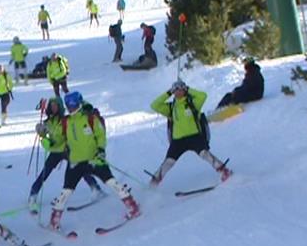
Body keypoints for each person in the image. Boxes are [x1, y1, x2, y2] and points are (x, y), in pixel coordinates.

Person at [48, 92, 140, 230]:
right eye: (68, 105)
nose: (71, 108)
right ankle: (54, 221)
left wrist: (101, 150)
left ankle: (132, 207)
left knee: (112, 182)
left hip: (94, 159)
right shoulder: (66, 121)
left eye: (73, 104)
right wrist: (45, 138)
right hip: (75, 162)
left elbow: (100, 135)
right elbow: (58, 140)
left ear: (79, 103)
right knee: (66, 192)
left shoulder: (90, 118)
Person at [149, 81, 233, 186]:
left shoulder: (193, 104)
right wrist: (168, 93)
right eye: (175, 91)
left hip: (194, 137)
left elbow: (203, 96)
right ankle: (154, 183)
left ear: (184, 91)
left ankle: (224, 171)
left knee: (205, 154)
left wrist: (188, 89)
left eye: (180, 90)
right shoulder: (171, 107)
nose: (177, 93)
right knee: (168, 162)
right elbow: (154, 105)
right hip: (178, 141)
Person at [29, 97, 103, 213]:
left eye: (56, 106)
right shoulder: (47, 123)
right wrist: (42, 136)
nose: (54, 108)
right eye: (52, 106)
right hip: (55, 152)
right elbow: (47, 145)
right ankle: (33, 194)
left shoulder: (66, 120)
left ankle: (95, 188)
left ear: (60, 107)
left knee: (80, 170)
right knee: (45, 172)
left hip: (67, 149)